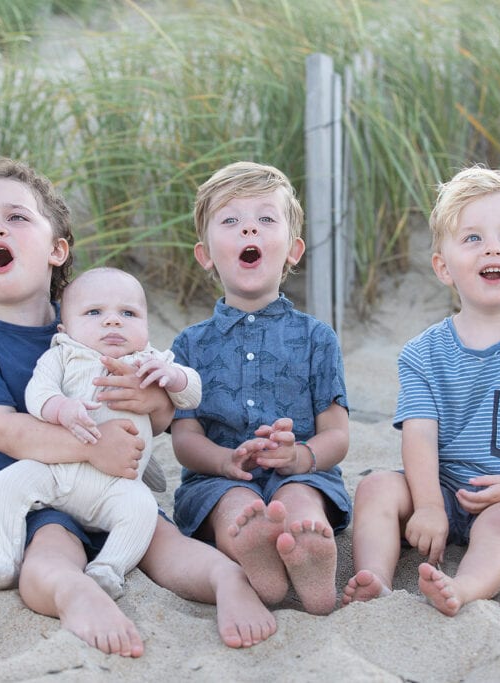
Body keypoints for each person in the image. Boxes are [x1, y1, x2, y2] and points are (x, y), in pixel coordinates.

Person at [0, 156, 276, 657]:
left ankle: (227, 581)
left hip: (112, 484)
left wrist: (152, 397)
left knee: (158, 537)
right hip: (32, 496)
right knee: (50, 551)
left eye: (16, 217)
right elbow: (4, 430)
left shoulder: (95, 318)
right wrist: (90, 448)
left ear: (56, 249)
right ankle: (75, 592)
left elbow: (155, 417)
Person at [341, 165, 500, 616]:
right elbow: (419, 435)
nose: (493, 246)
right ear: (443, 266)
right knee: (376, 487)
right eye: (472, 238)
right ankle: (374, 578)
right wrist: (430, 505)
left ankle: (465, 588)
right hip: (443, 488)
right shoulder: (422, 352)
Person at [169, 161, 352, 616]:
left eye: (265, 219)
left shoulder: (317, 337)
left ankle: (309, 558)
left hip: (301, 472)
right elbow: (185, 437)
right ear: (206, 254)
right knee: (235, 506)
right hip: (218, 479)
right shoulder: (189, 344)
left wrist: (300, 457)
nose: (248, 228)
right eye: (230, 221)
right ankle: (256, 555)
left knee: (300, 499)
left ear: (293, 250)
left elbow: (337, 433)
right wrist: (223, 460)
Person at [0, 266, 201, 599]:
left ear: (146, 326)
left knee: (142, 509)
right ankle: (3, 560)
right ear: (65, 328)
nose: (113, 321)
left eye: (129, 313)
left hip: (117, 485)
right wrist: (60, 408)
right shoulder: (62, 354)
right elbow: (38, 393)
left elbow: (192, 392)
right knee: (8, 483)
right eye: (94, 312)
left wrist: (173, 376)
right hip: (58, 473)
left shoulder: (149, 360)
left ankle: (108, 568)